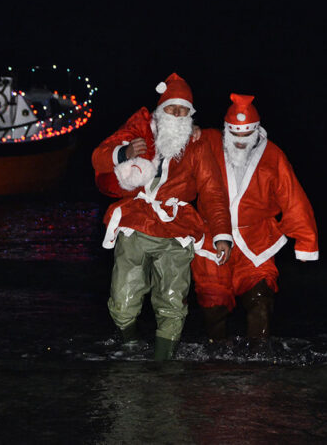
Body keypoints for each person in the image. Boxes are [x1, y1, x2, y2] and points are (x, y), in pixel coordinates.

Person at [92, 73, 233, 360]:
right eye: (172, 108)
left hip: (177, 229)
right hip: (137, 222)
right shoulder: (138, 129)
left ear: (190, 114)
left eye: (184, 110)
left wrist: (222, 235)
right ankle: (130, 345)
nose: (177, 114)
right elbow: (98, 157)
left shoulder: (197, 144)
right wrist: (125, 152)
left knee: (172, 302)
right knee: (123, 299)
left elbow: (213, 191)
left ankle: (163, 366)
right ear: (161, 109)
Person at [191, 93, 319, 341]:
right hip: (210, 239)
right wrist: (189, 130)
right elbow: (173, 145)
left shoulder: (273, 156)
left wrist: (306, 241)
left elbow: (292, 197)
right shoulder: (206, 141)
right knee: (213, 306)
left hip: (257, 239)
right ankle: (214, 362)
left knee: (261, 300)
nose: (240, 141)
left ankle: (259, 365)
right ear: (226, 130)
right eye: (235, 134)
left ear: (257, 130)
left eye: (246, 135)